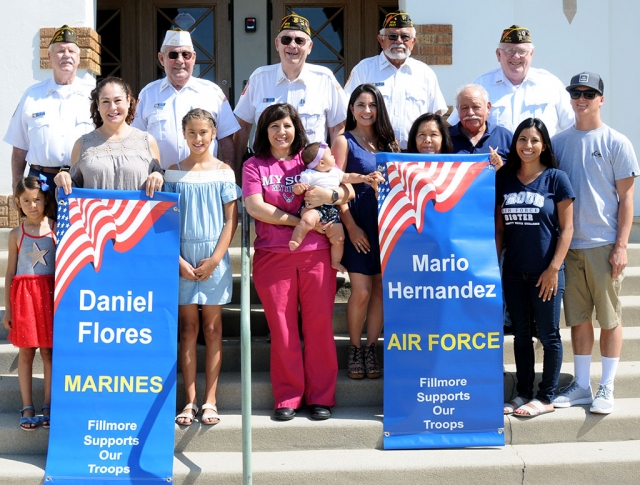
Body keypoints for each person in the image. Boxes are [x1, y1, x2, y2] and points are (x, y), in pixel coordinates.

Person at [243, 103, 353, 421]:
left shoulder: (310, 157)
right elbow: (255, 207)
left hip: (316, 256)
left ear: (297, 129)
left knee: (318, 327)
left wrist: (329, 199)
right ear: (265, 130)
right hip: (272, 257)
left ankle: (321, 396)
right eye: (274, 126)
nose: (281, 132)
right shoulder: (254, 165)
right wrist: (300, 222)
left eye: (287, 126)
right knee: (283, 329)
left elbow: (346, 189)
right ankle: (288, 397)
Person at [552, 72, 639, 414]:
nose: (581, 98)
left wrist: (621, 245)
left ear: (601, 99)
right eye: (576, 92)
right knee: (578, 320)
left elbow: (627, 199)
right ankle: (582, 385)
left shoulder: (617, 142)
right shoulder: (558, 142)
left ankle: (607, 385)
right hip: (570, 246)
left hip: (604, 244)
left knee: (610, 319)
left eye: (589, 93)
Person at [164, 109, 240, 426]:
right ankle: (190, 400)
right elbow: (163, 222)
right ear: (184, 134)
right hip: (181, 258)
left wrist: (215, 259)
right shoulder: (172, 173)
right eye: (192, 133)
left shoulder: (224, 172)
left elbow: (230, 220)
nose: (198, 139)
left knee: (212, 329)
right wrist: (177, 261)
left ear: (212, 134)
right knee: (188, 329)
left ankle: (211, 399)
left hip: (214, 259)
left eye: (204, 133)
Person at [495, 118, 574, 417]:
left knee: (549, 334)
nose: (528, 145)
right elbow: (500, 228)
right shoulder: (505, 179)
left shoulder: (556, 178)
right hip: (514, 271)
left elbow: (567, 229)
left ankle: (546, 396)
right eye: (522, 139)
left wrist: (554, 268)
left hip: (546, 272)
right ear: (515, 143)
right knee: (521, 334)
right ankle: (523, 392)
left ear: (544, 145)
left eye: (534, 140)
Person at [332, 83, 399, 379]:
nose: (367, 110)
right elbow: (333, 186)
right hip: (357, 219)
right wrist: (351, 226)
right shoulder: (343, 141)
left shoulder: (389, 141)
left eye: (372, 105)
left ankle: (372, 348)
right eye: (361, 104)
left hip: (386, 222)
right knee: (360, 291)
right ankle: (355, 347)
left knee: (381, 291)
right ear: (351, 108)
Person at [233, 13, 348, 169]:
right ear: (277, 44)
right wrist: (237, 174)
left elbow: (337, 129)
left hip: (311, 173)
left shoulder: (325, 79)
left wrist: (335, 176)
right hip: (266, 172)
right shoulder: (259, 78)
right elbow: (243, 127)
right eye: (286, 40)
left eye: (299, 40)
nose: (292, 45)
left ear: (310, 47)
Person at [4, 25, 94, 195]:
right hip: (40, 183)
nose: (66, 55)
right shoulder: (32, 96)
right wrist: (16, 184)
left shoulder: (94, 95)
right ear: (50, 57)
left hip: (82, 182)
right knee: (41, 224)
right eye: (60, 51)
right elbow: (19, 147)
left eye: (71, 51)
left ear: (79, 57)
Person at [133, 29, 239, 168]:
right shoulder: (148, 94)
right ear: (161, 58)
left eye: (186, 54)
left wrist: (229, 173)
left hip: (204, 180)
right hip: (160, 181)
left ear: (194, 58)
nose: (180, 60)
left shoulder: (212, 92)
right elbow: (136, 140)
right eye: (173, 55)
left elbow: (226, 139)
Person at [344, 12, 447, 150]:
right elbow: (346, 111)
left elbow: (436, 117)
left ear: (413, 41)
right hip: (374, 151)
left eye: (405, 37)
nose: (399, 41)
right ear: (381, 40)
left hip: (415, 153)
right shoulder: (363, 69)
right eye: (392, 36)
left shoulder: (425, 73)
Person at [447, 25, 573, 137]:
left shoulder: (550, 84)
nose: (516, 56)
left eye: (522, 51)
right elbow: (452, 127)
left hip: (540, 161)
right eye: (509, 51)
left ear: (531, 54)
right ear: (498, 54)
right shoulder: (481, 86)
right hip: (497, 161)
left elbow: (572, 125)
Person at [3, 176, 57, 430]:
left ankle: (48, 405)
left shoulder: (57, 229)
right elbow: (10, 273)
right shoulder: (16, 234)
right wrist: (9, 309)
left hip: (49, 297)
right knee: (26, 353)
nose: (32, 205)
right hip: (24, 299)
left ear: (46, 201)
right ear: (17, 203)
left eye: (37, 200)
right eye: (26, 200)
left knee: (48, 352)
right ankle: (27, 406)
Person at [54, 76, 164, 195]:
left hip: (139, 213)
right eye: (105, 101)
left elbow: (161, 189)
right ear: (98, 104)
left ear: (128, 101)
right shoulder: (82, 144)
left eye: (118, 100)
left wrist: (158, 176)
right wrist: (64, 179)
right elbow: (71, 192)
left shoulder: (147, 141)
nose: (112, 107)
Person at [290, 141, 383, 273]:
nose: (334, 156)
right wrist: (298, 188)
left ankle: (336, 262)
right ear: (321, 163)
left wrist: (363, 177)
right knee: (307, 220)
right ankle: (296, 240)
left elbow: (349, 176)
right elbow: (298, 189)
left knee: (339, 239)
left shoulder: (335, 172)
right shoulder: (309, 174)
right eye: (330, 155)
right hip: (315, 209)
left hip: (332, 211)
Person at [448, 84, 512, 168]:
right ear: (458, 110)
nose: (470, 112)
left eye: (476, 107)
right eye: (464, 108)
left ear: (488, 108)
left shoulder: (504, 137)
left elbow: (519, 173)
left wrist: (501, 169)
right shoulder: (446, 137)